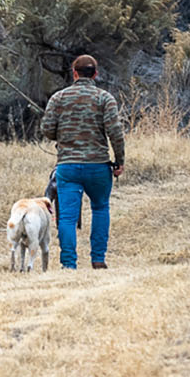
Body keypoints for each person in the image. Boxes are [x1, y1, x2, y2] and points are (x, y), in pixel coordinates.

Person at [39, 54, 126, 269]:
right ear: (95, 74)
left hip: (68, 167)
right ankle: (98, 259)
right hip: (98, 166)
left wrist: (64, 132)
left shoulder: (58, 98)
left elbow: (47, 130)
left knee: (67, 217)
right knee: (100, 208)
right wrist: (119, 160)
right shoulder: (105, 99)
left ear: (74, 73)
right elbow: (116, 133)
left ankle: (69, 264)